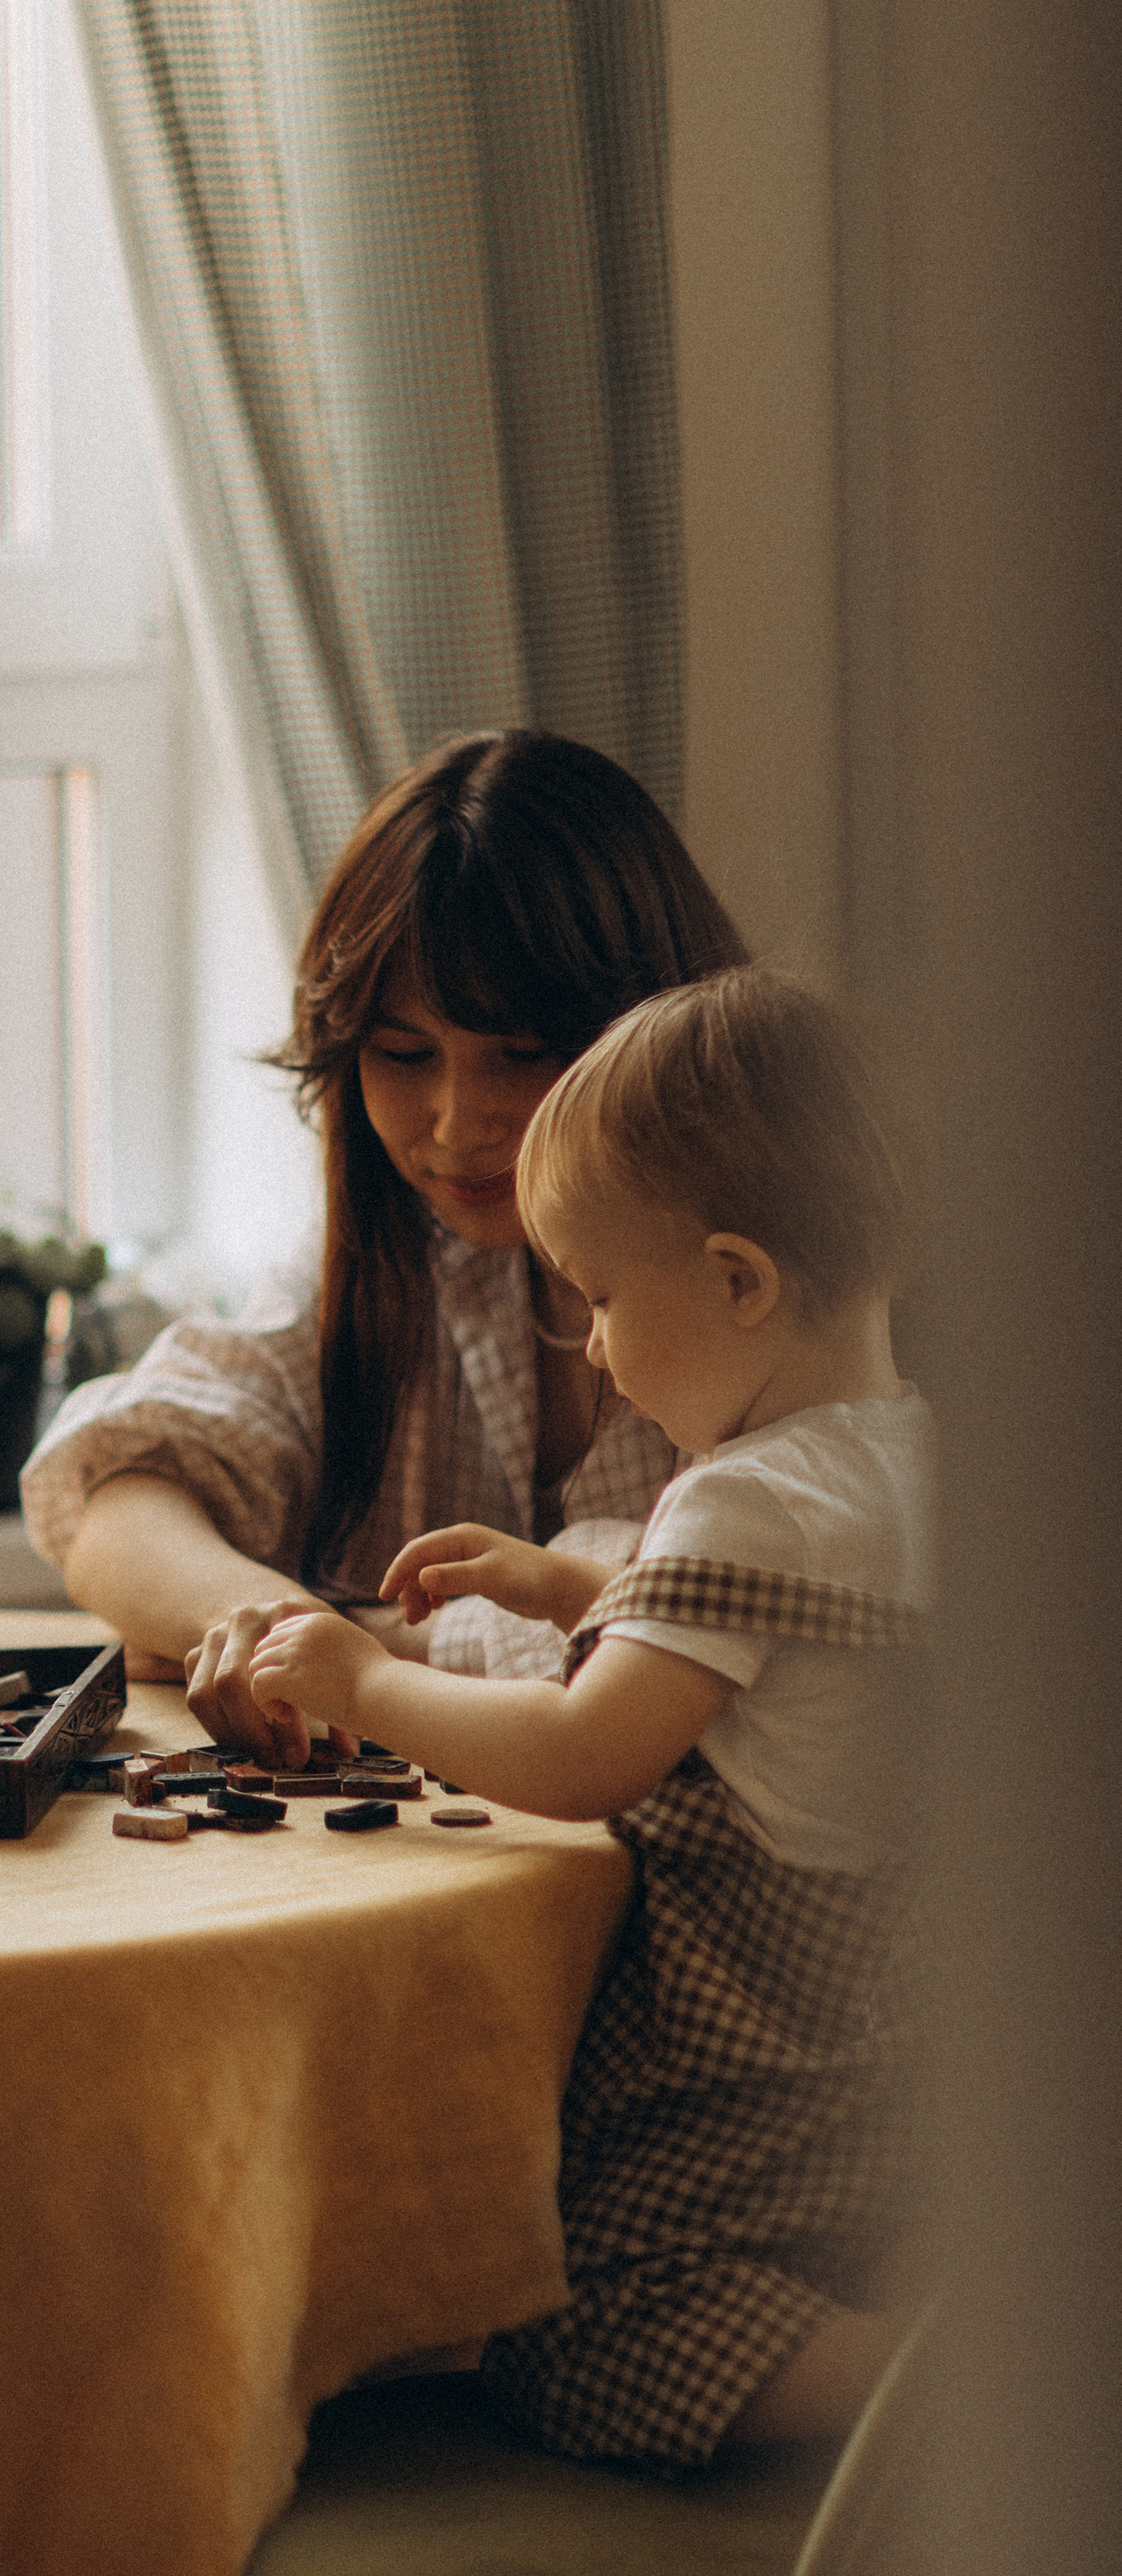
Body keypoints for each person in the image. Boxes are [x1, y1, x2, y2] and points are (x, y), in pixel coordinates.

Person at [252, 963, 931, 2465]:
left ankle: (926, 2408)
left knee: (570, 2317)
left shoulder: (742, 1501)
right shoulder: (905, 1461)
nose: (597, 1351)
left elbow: (580, 1758)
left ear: (742, 1281)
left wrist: (367, 1682)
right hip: (901, 2056)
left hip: (768, 2059)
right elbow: (763, 1665)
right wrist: (573, 1589)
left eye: (609, 1301)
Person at [21, 730, 749, 1765]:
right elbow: (119, 1499)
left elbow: (678, 1639)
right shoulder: (411, 1253)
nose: (458, 1125)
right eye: (405, 1055)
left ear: (643, 1023)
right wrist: (271, 1625)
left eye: (524, 1054)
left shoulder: (766, 1289)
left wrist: (362, 1654)